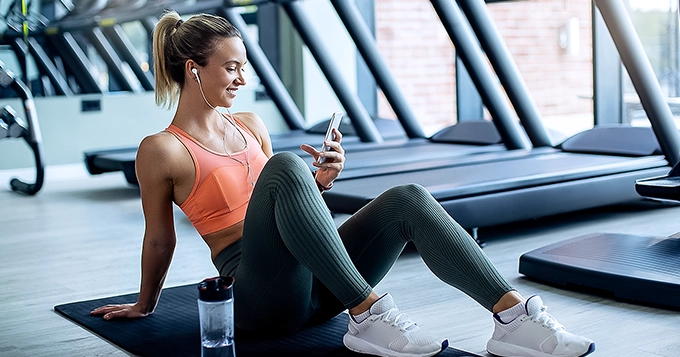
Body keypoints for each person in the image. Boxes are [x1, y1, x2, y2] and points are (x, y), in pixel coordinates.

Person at [91, 10, 596, 357]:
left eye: (244, 66)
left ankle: (514, 320)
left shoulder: (249, 124)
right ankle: (370, 314)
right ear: (192, 69)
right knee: (287, 165)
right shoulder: (162, 148)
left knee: (407, 199)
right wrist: (145, 304)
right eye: (231, 67)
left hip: (316, 282)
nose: (243, 78)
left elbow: (284, 205)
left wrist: (321, 183)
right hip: (259, 296)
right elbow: (160, 236)